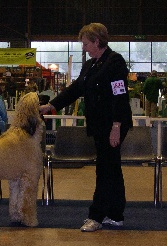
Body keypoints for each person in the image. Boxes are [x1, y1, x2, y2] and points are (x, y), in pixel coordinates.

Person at [39, 23, 133, 232]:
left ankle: (96, 216)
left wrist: (116, 126)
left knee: (104, 169)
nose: (84, 47)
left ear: (97, 42)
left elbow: (120, 95)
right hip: (98, 125)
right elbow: (74, 90)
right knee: (112, 168)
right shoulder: (90, 65)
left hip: (113, 124)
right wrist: (52, 105)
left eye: (86, 43)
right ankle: (116, 214)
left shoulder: (114, 61)